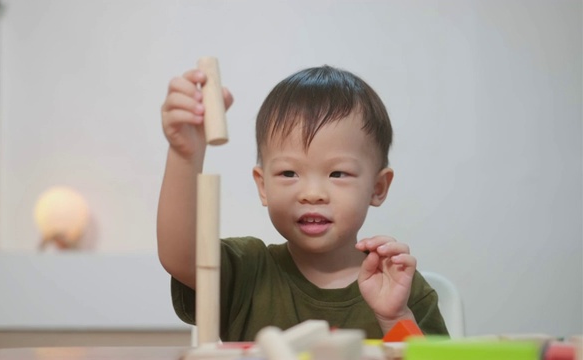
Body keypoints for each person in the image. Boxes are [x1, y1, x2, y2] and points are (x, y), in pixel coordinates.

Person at [157, 64, 448, 341]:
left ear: (378, 187)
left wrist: (395, 318)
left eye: (337, 173)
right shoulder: (247, 270)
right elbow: (179, 257)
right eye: (288, 173)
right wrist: (185, 155)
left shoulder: (403, 288)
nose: (312, 193)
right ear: (263, 186)